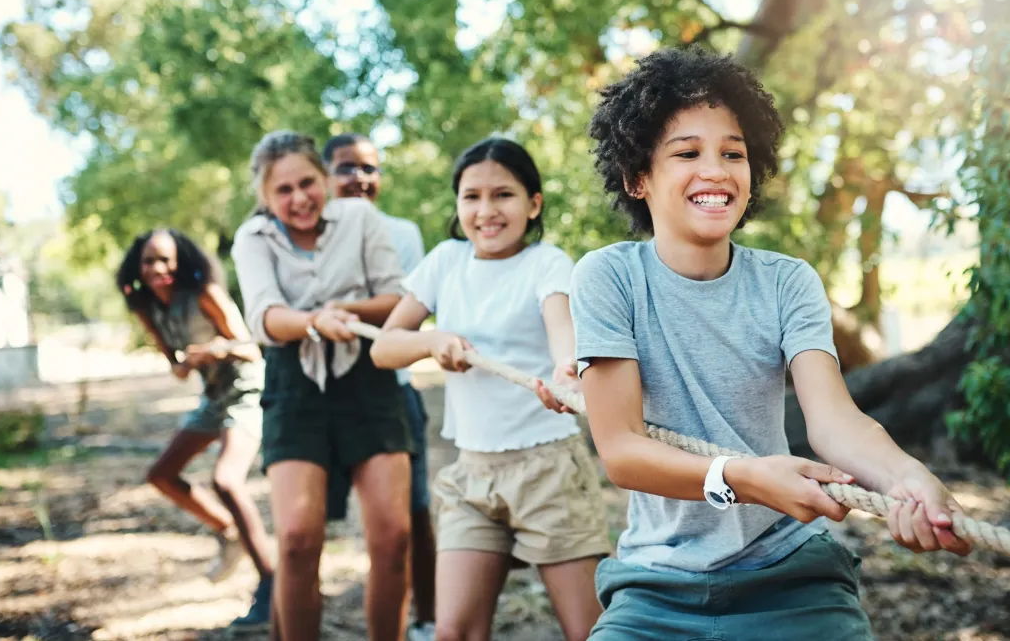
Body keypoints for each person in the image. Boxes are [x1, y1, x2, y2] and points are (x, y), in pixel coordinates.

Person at [569, 47, 973, 640]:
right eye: (687, 152)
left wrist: (906, 477)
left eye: (733, 152)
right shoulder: (608, 279)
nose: (716, 169)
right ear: (638, 177)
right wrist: (746, 477)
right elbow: (623, 451)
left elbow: (835, 422)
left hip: (791, 576)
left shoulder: (788, 282)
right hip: (657, 586)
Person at [371, 137, 611, 641]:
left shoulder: (547, 263)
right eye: (471, 197)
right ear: (458, 205)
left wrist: (567, 370)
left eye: (502, 194)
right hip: (472, 476)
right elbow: (384, 348)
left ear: (534, 204)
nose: (485, 211)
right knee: (452, 633)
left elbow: (561, 328)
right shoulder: (445, 262)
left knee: (588, 632)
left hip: (549, 470)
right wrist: (431, 339)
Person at [231, 130, 412, 641]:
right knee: (296, 539)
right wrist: (314, 321)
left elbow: (396, 299)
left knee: (394, 537)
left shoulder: (358, 218)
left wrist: (345, 312)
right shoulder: (253, 239)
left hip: (367, 378)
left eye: (307, 182)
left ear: (324, 179)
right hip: (294, 383)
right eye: (283, 191)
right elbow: (265, 317)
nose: (299, 198)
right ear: (265, 198)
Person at [115, 228, 274, 630]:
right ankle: (228, 530)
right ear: (138, 266)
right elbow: (176, 365)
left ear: (181, 262)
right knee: (162, 475)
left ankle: (272, 585)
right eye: (150, 261)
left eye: (166, 260)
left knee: (227, 480)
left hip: (246, 388)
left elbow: (252, 347)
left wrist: (214, 350)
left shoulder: (205, 293)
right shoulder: (146, 307)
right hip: (212, 395)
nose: (158, 269)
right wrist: (183, 364)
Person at [323, 132, 437, 641]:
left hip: (393, 389)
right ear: (326, 176)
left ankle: (427, 617)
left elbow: (401, 310)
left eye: (370, 168)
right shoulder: (309, 230)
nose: (360, 178)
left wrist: (336, 309)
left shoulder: (402, 231)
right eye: (347, 167)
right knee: (304, 528)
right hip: (323, 395)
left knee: (412, 515)